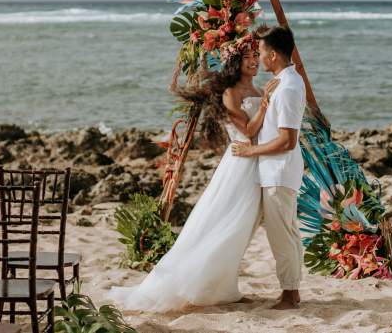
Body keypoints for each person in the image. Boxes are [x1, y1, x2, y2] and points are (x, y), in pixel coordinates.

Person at [106, 35, 279, 311]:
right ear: (235, 62)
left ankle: (224, 286)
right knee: (226, 224)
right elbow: (247, 131)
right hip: (240, 165)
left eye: (255, 56)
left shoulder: (257, 89)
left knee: (242, 229)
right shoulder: (231, 93)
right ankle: (198, 282)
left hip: (257, 161)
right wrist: (268, 102)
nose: (254, 61)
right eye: (248, 57)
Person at [232, 25, 306, 310]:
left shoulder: (287, 88)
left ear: (273, 55)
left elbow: (287, 140)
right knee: (287, 231)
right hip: (277, 170)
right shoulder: (283, 82)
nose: (259, 57)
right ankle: (293, 290)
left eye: (261, 52)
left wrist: (251, 149)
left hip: (279, 170)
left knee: (281, 235)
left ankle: (289, 293)